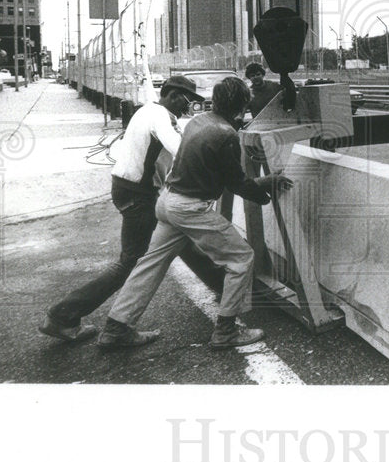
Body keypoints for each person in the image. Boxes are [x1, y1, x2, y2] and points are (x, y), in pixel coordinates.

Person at [97, 77, 294, 349]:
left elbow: (216, 172)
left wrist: (257, 185)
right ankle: (226, 331)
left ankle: (116, 327)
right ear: (241, 106)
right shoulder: (226, 134)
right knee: (241, 257)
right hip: (189, 208)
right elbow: (236, 183)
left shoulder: (199, 122)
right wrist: (264, 190)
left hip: (167, 202)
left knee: (150, 263)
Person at [39, 75, 224, 342]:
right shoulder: (162, 117)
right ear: (172, 95)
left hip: (128, 188)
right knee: (130, 263)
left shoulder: (147, 110)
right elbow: (181, 150)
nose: (189, 106)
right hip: (139, 195)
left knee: (179, 238)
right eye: (187, 100)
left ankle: (224, 286)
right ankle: (63, 316)